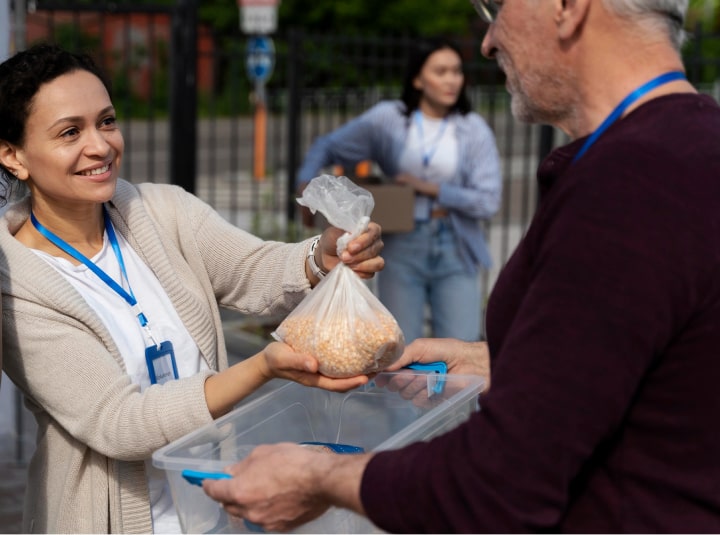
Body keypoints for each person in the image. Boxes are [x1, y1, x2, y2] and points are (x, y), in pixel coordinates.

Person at [202, 0, 720, 532]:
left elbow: (502, 482)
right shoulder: (695, 145)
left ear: (567, 7)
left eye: (497, 7)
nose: (488, 41)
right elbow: (658, 370)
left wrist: (320, 475)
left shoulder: (628, 184)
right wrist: (504, 365)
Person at [0, 43, 384, 534]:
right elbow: (120, 423)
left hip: (210, 512)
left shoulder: (161, 211)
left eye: (107, 121)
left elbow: (252, 269)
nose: (100, 146)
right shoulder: (18, 285)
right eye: (70, 132)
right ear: (13, 156)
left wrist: (320, 257)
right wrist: (262, 367)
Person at [296, 36, 502, 344]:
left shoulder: (473, 128)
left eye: (457, 71)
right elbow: (328, 145)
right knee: (400, 345)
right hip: (402, 243)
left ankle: (455, 397)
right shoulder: (388, 119)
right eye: (440, 71)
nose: (452, 80)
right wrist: (306, 181)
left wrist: (430, 188)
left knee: (461, 347)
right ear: (418, 79)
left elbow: (488, 201)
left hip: (456, 244)